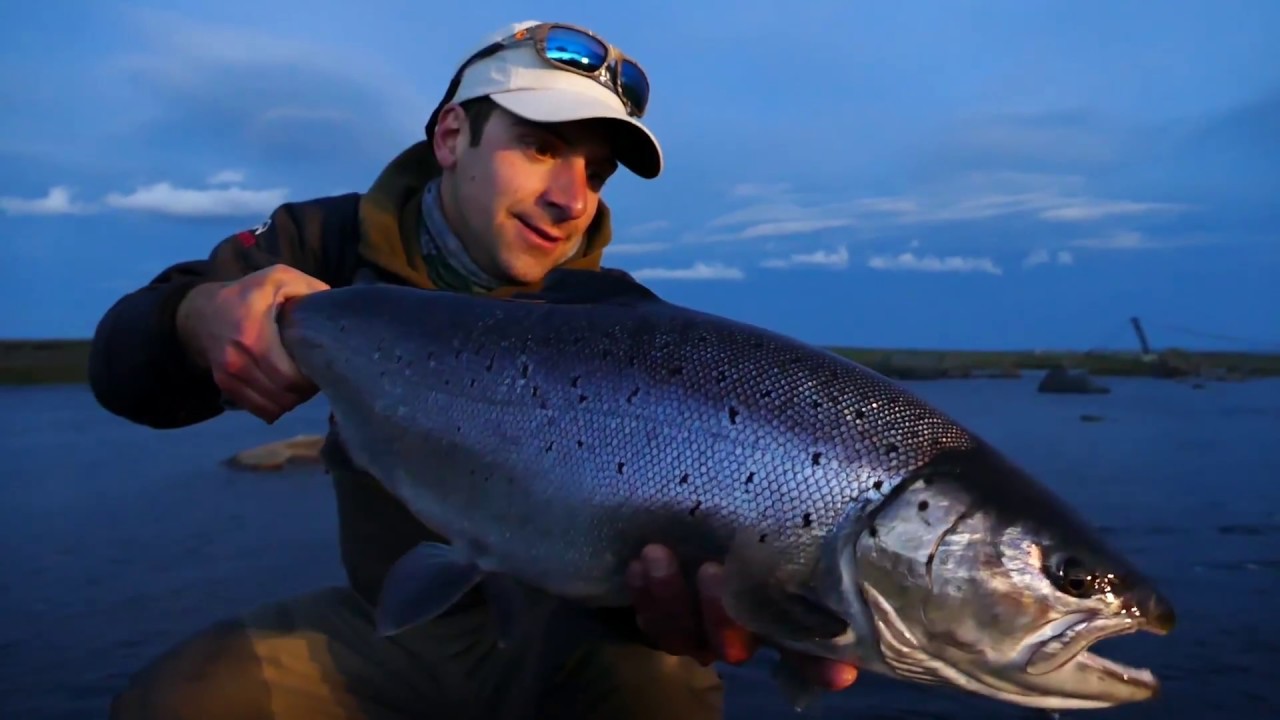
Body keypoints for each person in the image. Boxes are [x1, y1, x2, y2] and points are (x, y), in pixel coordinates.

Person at [89, 20, 859, 720]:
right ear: (453, 136)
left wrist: (755, 605)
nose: (571, 201)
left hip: (587, 637)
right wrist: (197, 319)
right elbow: (121, 370)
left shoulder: (624, 331)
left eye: (595, 172)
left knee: (662, 691)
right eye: (542, 148)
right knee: (177, 702)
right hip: (391, 622)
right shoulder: (322, 241)